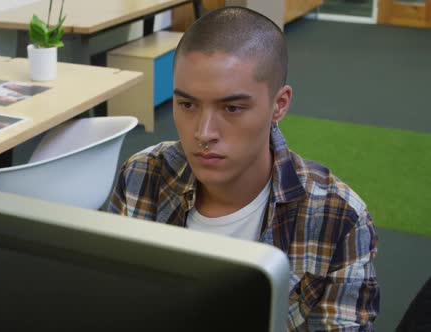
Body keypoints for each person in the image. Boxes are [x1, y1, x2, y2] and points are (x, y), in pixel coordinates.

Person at [108, 6, 379, 331]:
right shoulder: (140, 176)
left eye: (232, 108)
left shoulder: (339, 219)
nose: (203, 132)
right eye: (187, 105)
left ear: (279, 104)